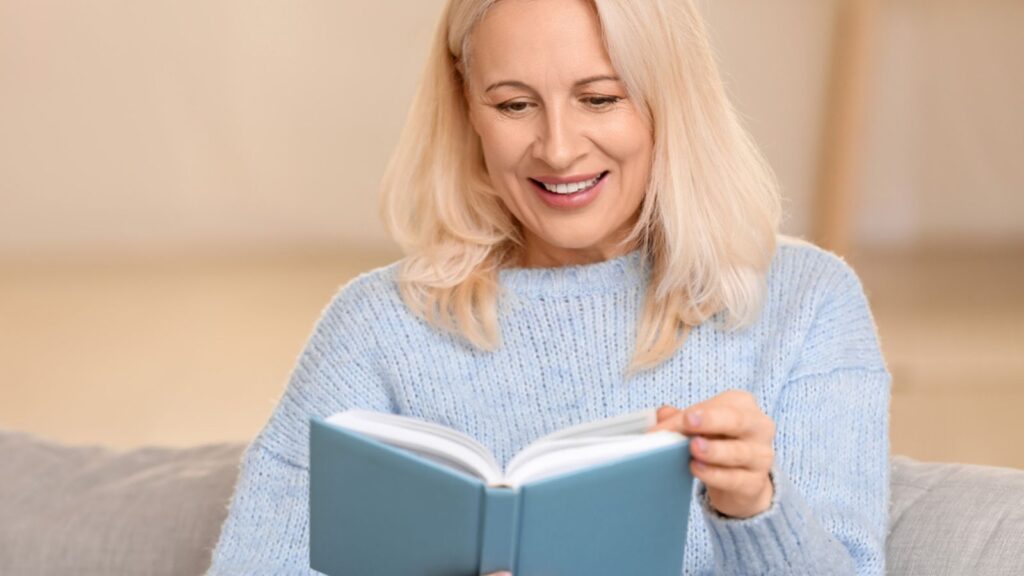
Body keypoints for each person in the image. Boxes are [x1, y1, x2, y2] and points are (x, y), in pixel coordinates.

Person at [206, 0, 891, 574]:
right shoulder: (377, 327)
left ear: (669, 96)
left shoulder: (808, 303)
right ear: (466, 103)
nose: (558, 149)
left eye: (599, 98)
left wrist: (753, 510)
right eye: (513, 105)